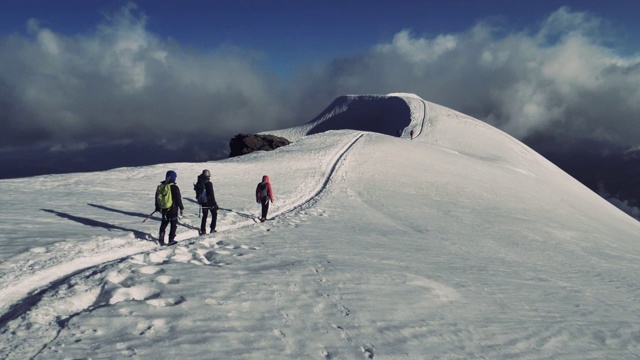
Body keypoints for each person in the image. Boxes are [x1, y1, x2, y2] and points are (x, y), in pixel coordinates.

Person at [155, 170, 184, 246]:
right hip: (173, 209)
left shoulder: (162, 186)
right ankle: (171, 240)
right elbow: (178, 198)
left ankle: (161, 237)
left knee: (164, 223)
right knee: (173, 224)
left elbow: (157, 198)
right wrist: (181, 207)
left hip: (164, 209)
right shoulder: (174, 187)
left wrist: (157, 207)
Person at [197, 169, 219, 235]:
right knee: (214, 214)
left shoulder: (200, 182)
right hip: (209, 202)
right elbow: (211, 194)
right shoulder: (209, 183)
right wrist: (214, 204)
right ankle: (212, 229)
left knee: (204, 216)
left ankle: (203, 230)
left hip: (203, 202)